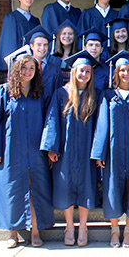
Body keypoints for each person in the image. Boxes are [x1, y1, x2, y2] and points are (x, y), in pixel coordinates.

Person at [0, 53, 52, 248]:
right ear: (16, 70)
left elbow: (49, 122)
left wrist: (48, 148)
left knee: (36, 191)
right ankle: (12, 233)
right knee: (11, 190)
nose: (27, 72)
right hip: (11, 150)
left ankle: (35, 231)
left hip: (35, 150)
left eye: (31, 68)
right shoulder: (4, 92)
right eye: (24, 68)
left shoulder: (39, 93)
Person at [41, 50, 101, 247]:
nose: (84, 74)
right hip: (65, 150)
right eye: (81, 71)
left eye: (87, 71)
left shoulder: (96, 95)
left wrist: (99, 151)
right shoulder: (61, 93)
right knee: (64, 185)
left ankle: (82, 226)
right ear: (73, 71)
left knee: (87, 185)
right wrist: (51, 148)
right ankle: (69, 226)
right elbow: (52, 121)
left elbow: (101, 125)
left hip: (87, 150)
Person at [91, 51, 129, 248]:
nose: (126, 73)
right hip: (113, 151)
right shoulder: (107, 96)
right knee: (112, 188)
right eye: (122, 70)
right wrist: (99, 153)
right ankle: (115, 230)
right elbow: (101, 125)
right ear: (116, 73)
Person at [0, 0, 40, 72]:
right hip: (17, 66)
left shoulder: (35, 21)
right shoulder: (11, 18)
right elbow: (9, 45)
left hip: (31, 66)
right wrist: (15, 66)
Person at [22, 26, 64, 107]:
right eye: (39, 45)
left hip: (49, 110)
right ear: (31, 46)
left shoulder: (55, 68)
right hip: (28, 110)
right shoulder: (24, 67)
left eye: (45, 45)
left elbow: (59, 92)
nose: (42, 48)